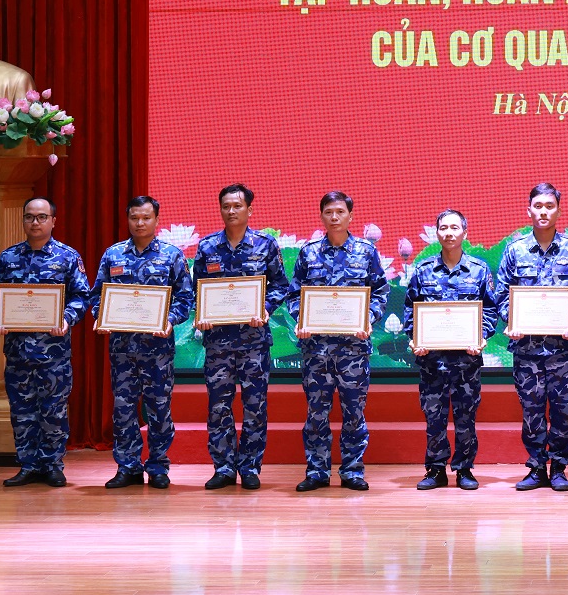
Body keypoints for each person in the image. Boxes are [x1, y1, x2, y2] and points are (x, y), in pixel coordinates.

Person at [287, 191, 389, 492]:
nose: (334, 217)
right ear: (321, 216)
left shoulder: (366, 252)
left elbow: (381, 292)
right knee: (316, 413)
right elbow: (294, 294)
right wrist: (301, 319)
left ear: (350, 216)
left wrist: (368, 318)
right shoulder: (308, 253)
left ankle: (352, 471)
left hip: (353, 350)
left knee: (354, 412)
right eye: (328, 212)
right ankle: (317, 471)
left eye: (340, 212)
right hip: (316, 349)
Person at [90, 195, 194, 490]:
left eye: (146, 218)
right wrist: (100, 316)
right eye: (134, 217)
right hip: (122, 350)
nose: (140, 223)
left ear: (156, 220)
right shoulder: (113, 254)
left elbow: (186, 298)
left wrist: (169, 320)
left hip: (158, 350)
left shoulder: (172, 256)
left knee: (159, 409)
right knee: (123, 409)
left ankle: (158, 466)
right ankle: (128, 467)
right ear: (128, 219)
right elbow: (97, 294)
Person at [0, 197, 90, 487]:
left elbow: (82, 295)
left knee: (53, 411)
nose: (35, 222)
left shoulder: (67, 257)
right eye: (30, 217)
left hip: (53, 352)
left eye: (42, 217)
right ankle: (28, 465)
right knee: (22, 412)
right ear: (23, 220)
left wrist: (66, 318)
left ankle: (52, 465)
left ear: (53, 221)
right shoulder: (8, 257)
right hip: (18, 352)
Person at [192, 183, 289, 491]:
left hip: (253, 342)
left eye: (237, 206)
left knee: (254, 406)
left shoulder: (265, 245)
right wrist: (201, 314)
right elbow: (197, 290)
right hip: (217, 342)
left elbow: (281, 285)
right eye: (226, 206)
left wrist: (265, 308)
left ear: (249, 209)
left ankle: (249, 467)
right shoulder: (207, 247)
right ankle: (223, 468)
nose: (231, 211)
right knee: (218, 407)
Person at [497, 182, 568, 492]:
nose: (543, 212)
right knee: (531, 411)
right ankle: (537, 468)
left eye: (549, 206)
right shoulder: (514, 250)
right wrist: (511, 320)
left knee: (563, 410)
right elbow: (502, 293)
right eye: (538, 206)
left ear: (558, 211)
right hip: (526, 349)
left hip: (562, 349)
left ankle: (559, 468)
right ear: (529, 210)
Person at [403, 208, 501, 491]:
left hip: (466, 360)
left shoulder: (479, 269)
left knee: (465, 416)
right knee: (434, 416)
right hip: (431, 361)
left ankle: (464, 469)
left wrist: (481, 335)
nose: (449, 233)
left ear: (465, 233)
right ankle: (435, 470)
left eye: (454, 228)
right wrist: (415, 337)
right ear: (437, 233)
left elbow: (490, 309)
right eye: (443, 228)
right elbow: (410, 308)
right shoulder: (422, 269)